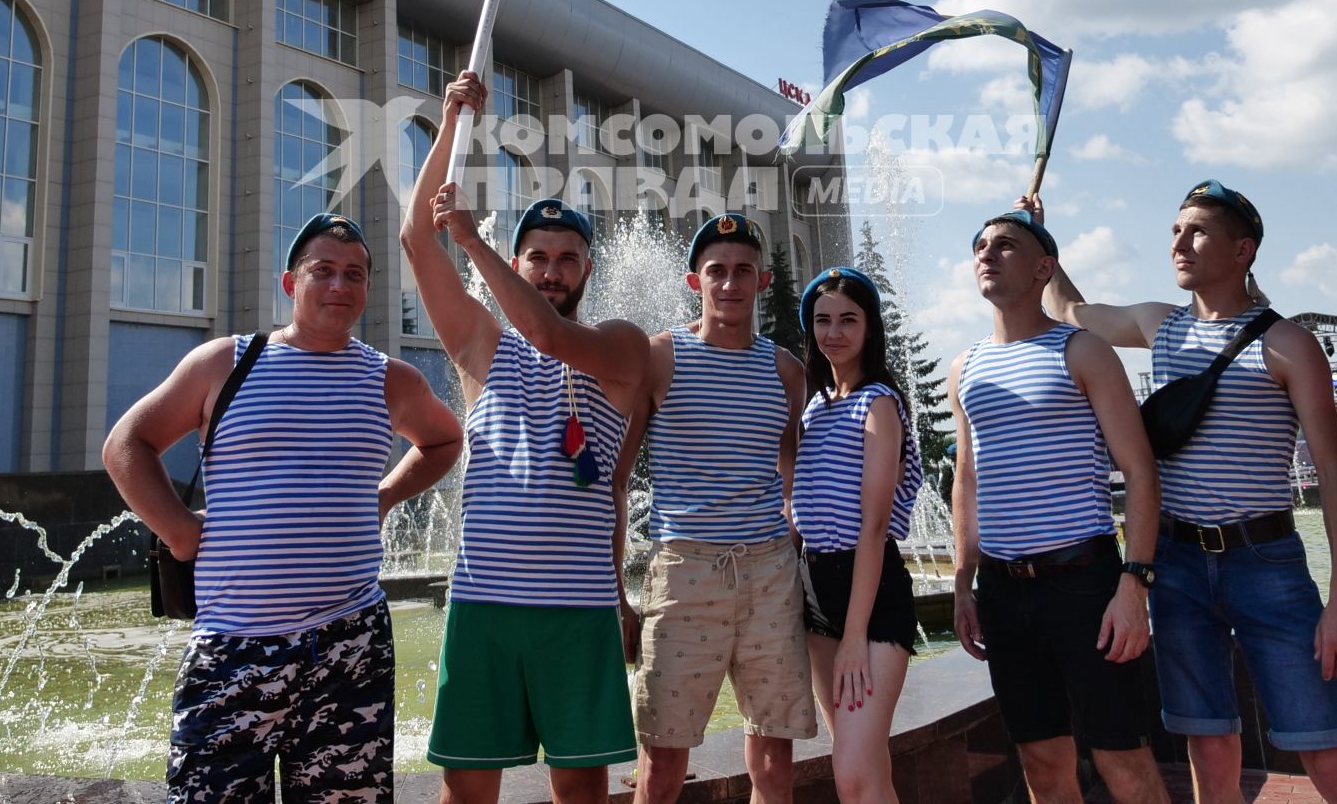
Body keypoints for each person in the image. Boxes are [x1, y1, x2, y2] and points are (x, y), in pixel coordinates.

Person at [1027, 182, 1337, 804]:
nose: (1179, 244)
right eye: (1174, 232)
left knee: (1322, 745)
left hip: (1264, 563)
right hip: (1177, 565)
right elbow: (1071, 311)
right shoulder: (1158, 324)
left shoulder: (1287, 344)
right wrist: (1039, 236)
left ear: (1243, 250)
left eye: (1197, 232)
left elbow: (1332, 472)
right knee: (1208, 746)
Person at [103, 212, 463, 804]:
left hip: (350, 645)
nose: (340, 286)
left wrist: (385, 496)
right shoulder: (227, 363)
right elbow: (125, 445)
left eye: (355, 274)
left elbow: (445, 440)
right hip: (235, 644)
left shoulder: (388, 381)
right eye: (323, 271)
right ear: (291, 284)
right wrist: (179, 532)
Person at [400, 71, 649, 804]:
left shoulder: (620, 345)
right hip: (483, 603)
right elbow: (418, 238)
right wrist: (451, 123)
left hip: (576, 612)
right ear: (519, 264)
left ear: (588, 269)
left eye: (567, 258)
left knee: (580, 789)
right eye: (536, 257)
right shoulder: (483, 347)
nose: (551, 270)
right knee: (467, 791)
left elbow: (546, 332)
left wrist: (471, 239)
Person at [948, 210, 1169, 804]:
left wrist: (1134, 585)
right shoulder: (964, 367)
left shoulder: (1084, 350)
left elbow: (1141, 471)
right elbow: (966, 479)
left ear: (1044, 267)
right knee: (1042, 762)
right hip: (1002, 590)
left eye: (1006, 246)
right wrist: (964, 582)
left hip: (1083, 584)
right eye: (981, 247)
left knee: (1123, 758)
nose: (988, 255)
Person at [632, 212, 815, 804]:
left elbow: (791, 474)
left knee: (774, 757)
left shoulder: (786, 370)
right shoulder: (661, 356)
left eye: (744, 271)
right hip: (684, 572)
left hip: (768, 574)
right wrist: (615, 588)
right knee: (662, 763)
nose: (730, 283)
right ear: (695, 281)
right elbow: (616, 479)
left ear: (763, 281)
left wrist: (790, 535)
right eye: (717, 272)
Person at [789, 266, 924, 804]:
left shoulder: (879, 404)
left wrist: (853, 637)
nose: (834, 333)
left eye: (848, 319)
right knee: (864, 763)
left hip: (869, 593)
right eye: (823, 321)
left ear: (870, 329)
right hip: (817, 589)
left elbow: (872, 529)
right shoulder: (817, 406)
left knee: (851, 772)